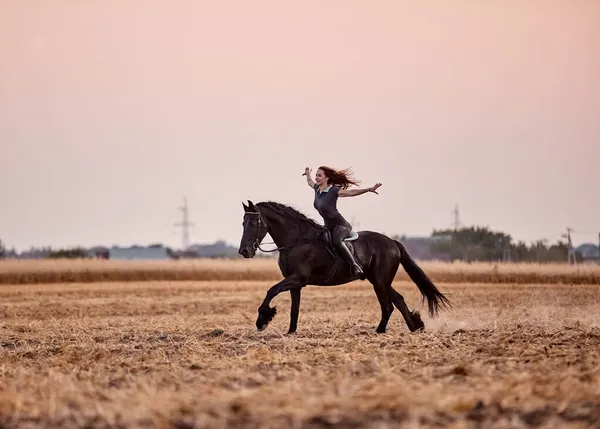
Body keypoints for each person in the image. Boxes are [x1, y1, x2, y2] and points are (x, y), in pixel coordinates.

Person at [303, 166, 382, 277]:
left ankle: (354, 266)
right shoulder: (316, 188)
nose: (316, 178)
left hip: (341, 226)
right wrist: (307, 174)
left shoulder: (333, 191)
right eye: (316, 175)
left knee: (337, 241)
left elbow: (351, 192)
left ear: (327, 178)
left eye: (319, 175)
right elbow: (310, 182)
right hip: (328, 226)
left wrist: (368, 189)